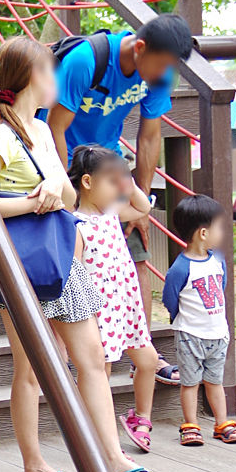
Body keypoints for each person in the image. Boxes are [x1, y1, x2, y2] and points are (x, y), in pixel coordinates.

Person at [0, 36, 166, 472]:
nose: (57, 79)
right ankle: (33, 465)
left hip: (64, 257)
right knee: (33, 367)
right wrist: (27, 202)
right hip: (19, 265)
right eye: (50, 71)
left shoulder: (41, 130)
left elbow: (65, 196)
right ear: (32, 78)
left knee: (92, 360)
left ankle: (114, 459)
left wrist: (49, 196)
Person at [47, 14, 195, 386]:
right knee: (71, 262)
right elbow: (55, 126)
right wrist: (69, 192)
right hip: (67, 166)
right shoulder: (86, 60)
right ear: (140, 48)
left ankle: (141, 348)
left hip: (110, 166)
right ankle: (65, 352)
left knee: (135, 254)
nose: (164, 74)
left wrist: (139, 200)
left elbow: (149, 137)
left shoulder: (160, 74)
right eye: (161, 65)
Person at [69, 145, 159, 453]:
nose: (119, 187)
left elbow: (143, 208)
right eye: (112, 181)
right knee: (99, 375)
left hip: (125, 305)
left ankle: (141, 418)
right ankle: (94, 433)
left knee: (148, 361)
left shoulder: (111, 211)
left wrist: (127, 179)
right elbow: (76, 276)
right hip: (99, 313)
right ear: (88, 183)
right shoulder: (76, 224)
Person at [162, 194, 236, 447]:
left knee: (215, 381)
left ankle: (222, 423)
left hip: (217, 334)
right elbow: (170, 298)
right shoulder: (180, 268)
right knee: (189, 383)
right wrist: (183, 319)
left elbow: (222, 287)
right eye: (220, 227)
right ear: (203, 233)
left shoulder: (218, 260)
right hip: (190, 335)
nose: (223, 233)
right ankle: (191, 425)